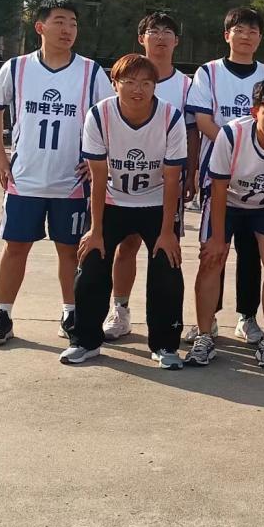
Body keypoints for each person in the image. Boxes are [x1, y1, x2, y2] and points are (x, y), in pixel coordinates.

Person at [0, 0, 112, 347]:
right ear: (40, 26)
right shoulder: (16, 68)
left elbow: (108, 117)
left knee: (69, 250)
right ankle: (3, 314)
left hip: (70, 181)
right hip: (24, 178)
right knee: (16, 246)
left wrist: (98, 158)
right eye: (59, 21)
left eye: (73, 23)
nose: (67, 29)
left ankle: (71, 313)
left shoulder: (91, 72)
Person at [60, 53, 187, 368]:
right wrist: (96, 230)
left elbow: (173, 179)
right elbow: (98, 176)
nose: (137, 89)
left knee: (167, 267)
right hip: (113, 200)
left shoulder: (170, 117)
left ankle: (165, 345)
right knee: (92, 262)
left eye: (146, 83)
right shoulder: (99, 115)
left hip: (156, 202)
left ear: (155, 86)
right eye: (129, 82)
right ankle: (85, 341)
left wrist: (168, 231)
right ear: (114, 83)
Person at [189, 78, 264, 368]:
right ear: (255, 111)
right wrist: (217, 238)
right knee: (211, 258)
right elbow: (218, 187)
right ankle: (204, 335)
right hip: (228, 202)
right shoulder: (232, 134)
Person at [102, 12, 199, 342]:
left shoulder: (187, 85)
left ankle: (167, 322)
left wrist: (191, 172)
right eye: (153, 31)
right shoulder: (125, 75)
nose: (160, 37)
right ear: (141, 38)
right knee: (126, 246)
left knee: (166, 250)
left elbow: (192, 131)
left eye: (167, 31)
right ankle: (120, 310)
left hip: (165, 182)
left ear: (176, 41)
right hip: (125, 181)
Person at [186, 7, 264, 345]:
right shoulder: (208, 72)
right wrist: (236, 149)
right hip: (219, 175)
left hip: (260, 178)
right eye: (239, 30)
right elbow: (202, 120)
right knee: (215, 250)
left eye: (253, 31)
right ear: (227, 35)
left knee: (251, 252)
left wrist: (251, 155)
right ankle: (207, 318)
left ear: (260, 38)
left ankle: (247, 316)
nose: (246, 36)